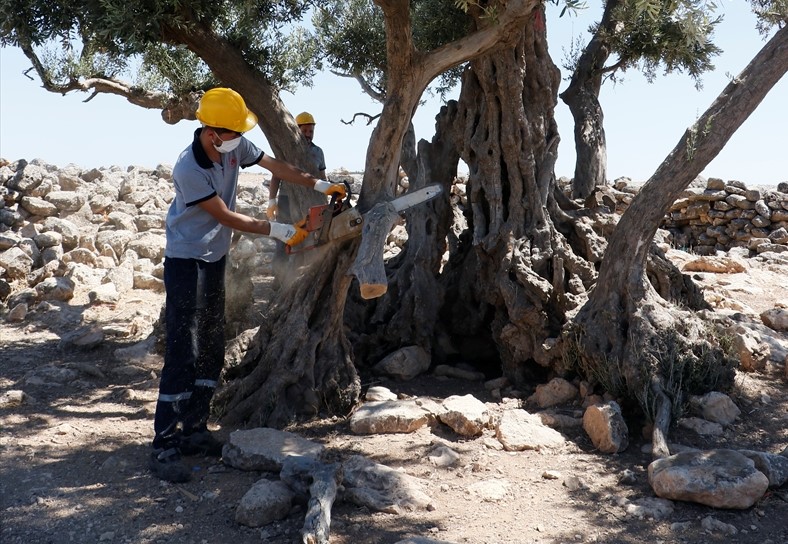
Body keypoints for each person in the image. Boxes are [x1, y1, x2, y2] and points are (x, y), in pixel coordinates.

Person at [149, 88, 346, 483]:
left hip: (214, 258)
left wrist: (321, 186)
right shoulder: (189, 167)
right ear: (211, 133)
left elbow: (278, 166)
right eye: (232, 133)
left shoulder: (234, 144)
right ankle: (164, 443)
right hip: (187, 259)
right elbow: (226, 216)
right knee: (183, 348)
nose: (239, 139)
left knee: (211, 343)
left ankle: (195, 429)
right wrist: (281, 230)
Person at [265, 111, 327, 221]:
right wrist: (272, 201)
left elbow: (322, 177)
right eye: (304, 131)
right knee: (285, 232)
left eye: (311, 131)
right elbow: (276, 175)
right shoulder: (287, 150)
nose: (308, 134)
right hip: (286, 198)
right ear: (296, 131)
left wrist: (326, 197)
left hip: (310, 200)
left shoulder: (318, 152)